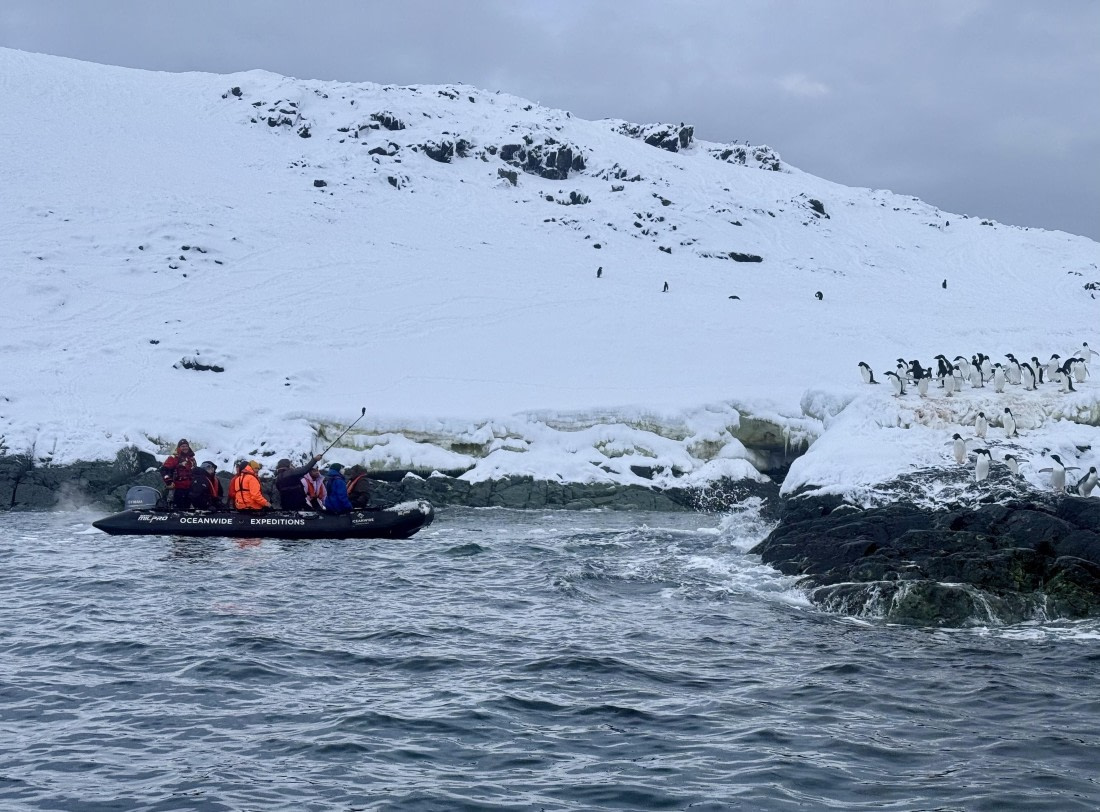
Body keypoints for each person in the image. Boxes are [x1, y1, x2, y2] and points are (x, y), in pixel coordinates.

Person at [160, 439, 196, 510]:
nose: (185, 448)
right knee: (177, 509)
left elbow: (195, 472)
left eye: (186, 446)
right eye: (182, 446)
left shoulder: (192, 459)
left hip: (190, 489)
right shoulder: (173, 458)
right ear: (179, 447)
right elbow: (163, 470)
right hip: (177, 489)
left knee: (188, 509)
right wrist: (168, 481)